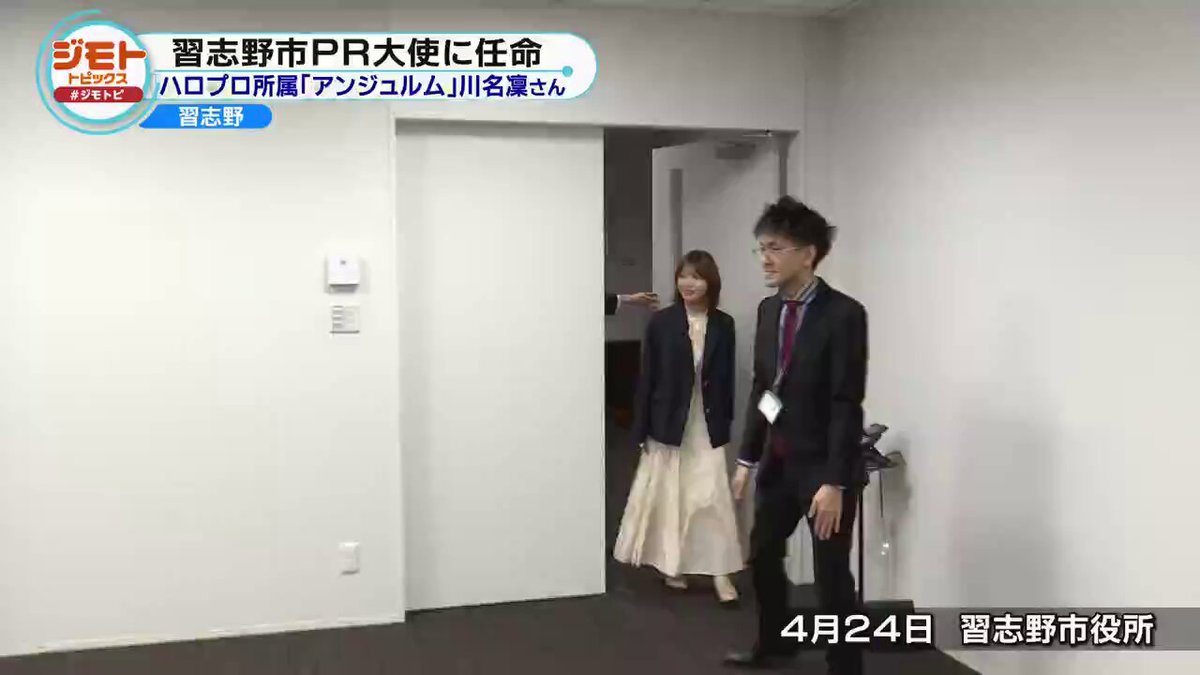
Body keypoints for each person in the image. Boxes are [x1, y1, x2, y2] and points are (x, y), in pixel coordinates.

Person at [724, 197, 868, 675]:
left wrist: (835, 481)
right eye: (761, 248)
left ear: (808, 254)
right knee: (763, 554)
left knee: (831, 575)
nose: (765, 259)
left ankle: (845, 665)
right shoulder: (769, 310)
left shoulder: (844, 314)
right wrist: (747, 460)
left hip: (824, 469)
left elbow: (846, 401)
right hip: (779, 463)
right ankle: (774, 643)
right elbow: (764, 389)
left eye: (776, 248)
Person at [612, 250, 743, 605]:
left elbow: (727, 379)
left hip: (707, 423)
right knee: (672, 496)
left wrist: (726, 422)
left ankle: (721, 572)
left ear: (710, 282)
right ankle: (674, 565)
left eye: (696, 277)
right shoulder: (662, 322)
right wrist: (641, 430)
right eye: (683, 276)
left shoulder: (724, 324)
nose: (688, 283)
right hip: (668, 422)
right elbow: (647, 378)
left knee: (712, 496)